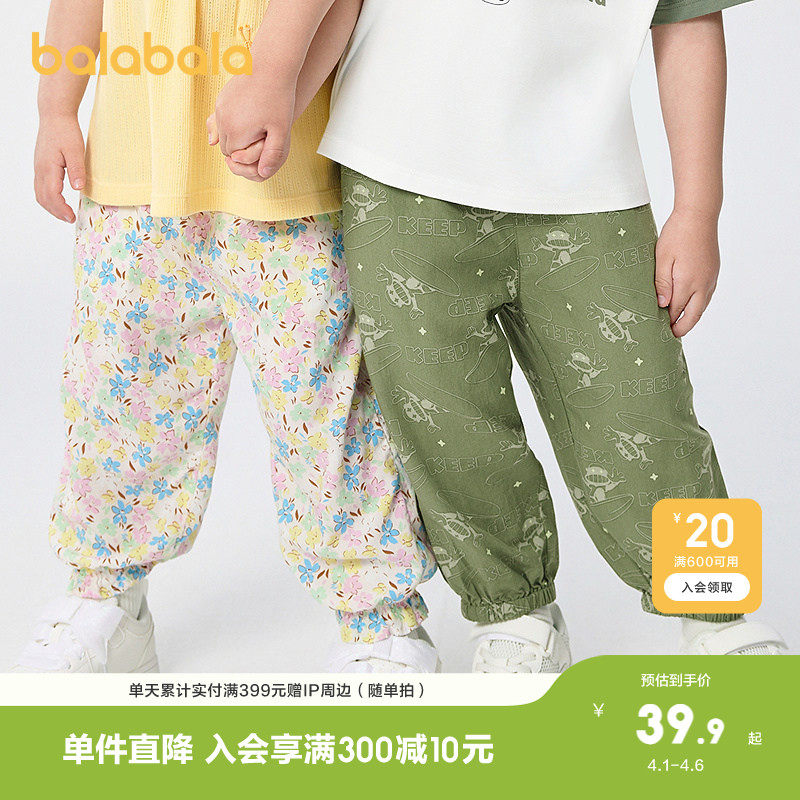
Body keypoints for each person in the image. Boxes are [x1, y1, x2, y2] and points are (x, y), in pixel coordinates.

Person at [224, 0, 787, 671]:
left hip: (589, 184)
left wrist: (698, 208)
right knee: (446, 420)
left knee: (646, 413)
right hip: (399, 169)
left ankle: (716, 608)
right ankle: (513, 614)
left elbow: (689, 22)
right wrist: (277, 85)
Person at [13, 0, 440, 674]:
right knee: (118, 395)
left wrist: (278, 81)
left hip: (286, 173)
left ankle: (378, 621)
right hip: (133, 170)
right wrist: (56, 107)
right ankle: (106, 596)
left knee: (324, 408)